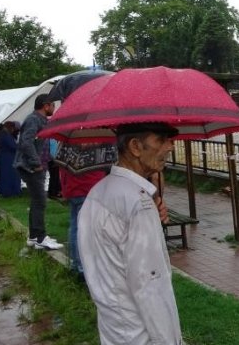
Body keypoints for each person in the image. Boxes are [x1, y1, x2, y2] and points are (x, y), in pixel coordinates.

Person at [78, 122, 182, 344]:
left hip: (114, 327)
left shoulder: (99, 191)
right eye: (161, 140)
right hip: (141, 333)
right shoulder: (137, 203)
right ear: (135, 146)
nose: (170, 147)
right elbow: (150, 283)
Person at [13, 94, 63, 250]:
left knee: (36, 201)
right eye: (53, 105)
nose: (54, 108)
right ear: (45, 106)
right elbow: (26, 142)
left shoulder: (39, 120)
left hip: (36, 166)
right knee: (40, 201)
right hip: (32, 167)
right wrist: (36, 164)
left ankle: (34, 237)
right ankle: (40, 238)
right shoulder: (34, 119)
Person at [59, 164, 107, 282]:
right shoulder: (96, 147)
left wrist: (65, 189)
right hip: (89, 188)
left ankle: (75, 264)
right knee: (86, 231)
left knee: (75, 227)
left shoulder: (68, 147)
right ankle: (83, 268)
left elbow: (62, 168)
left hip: (73, 188)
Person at [0, 121, 22, 197]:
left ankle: (9, 191)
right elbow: (13, 146)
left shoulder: (4, 135)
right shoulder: (6, 135)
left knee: (8, 175)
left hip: (6, 157)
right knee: (9, 175)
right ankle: (10, 191)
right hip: (8, 158)